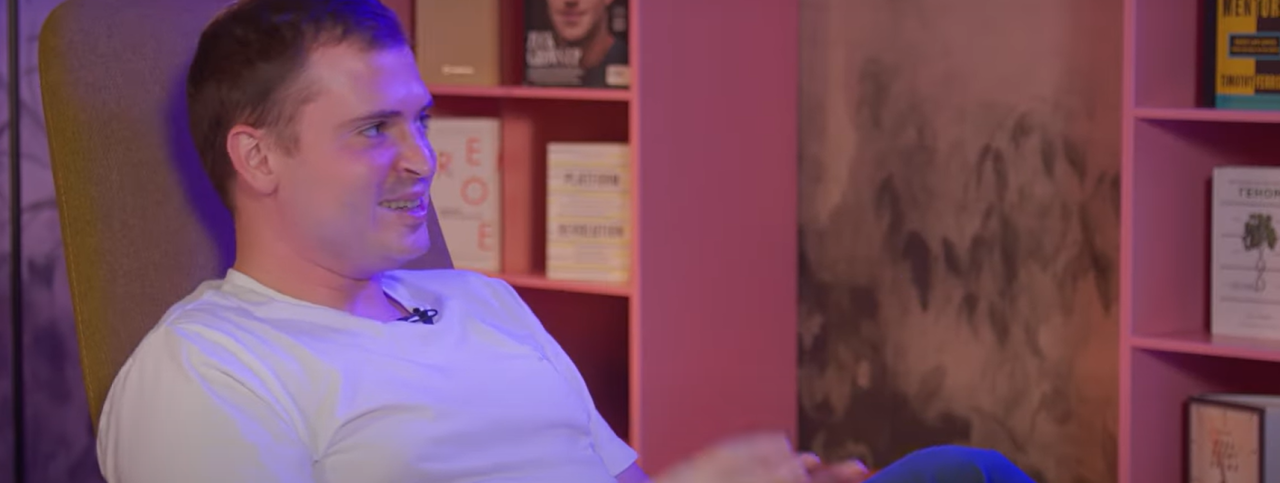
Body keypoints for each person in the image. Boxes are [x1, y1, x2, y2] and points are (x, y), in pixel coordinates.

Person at [92, 0, 1037, 482]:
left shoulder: (483, 301)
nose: (423, 158)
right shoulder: (207, 369)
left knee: (961, 472)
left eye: (421, 120)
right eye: (374, 130)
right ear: (257, 156)